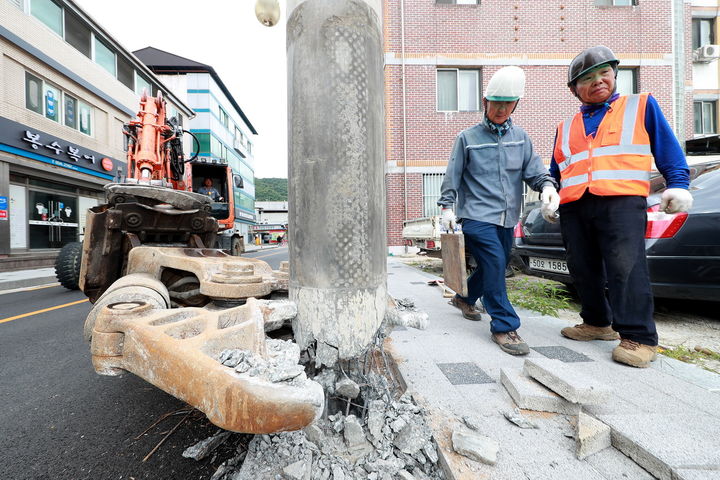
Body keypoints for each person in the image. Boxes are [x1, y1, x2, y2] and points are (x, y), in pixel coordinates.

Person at [545, 46, 693, 368]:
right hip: (575, 206)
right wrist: (550, 192)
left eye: (604, 73)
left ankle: (639, 338)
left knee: (625, 268)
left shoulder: (640, 106)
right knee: (583, 268)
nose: (598, 81)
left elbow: (668, 149)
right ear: (574, 90)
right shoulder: (565, 126)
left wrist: (679, 183)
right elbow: (556, 170)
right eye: (587, 78)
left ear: (615, 74)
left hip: (621, 202)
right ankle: (598, 324)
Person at [438, 66, 560, 356]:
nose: (502, 108)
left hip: (507, 218)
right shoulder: (467, 139)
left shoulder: (521, 138)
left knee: (496, 263)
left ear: (516, 104)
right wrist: (446, 207)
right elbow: (452, 176)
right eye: (496, 102)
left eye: (508, 103)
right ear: (485, 103)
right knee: (495, 262)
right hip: (476, 216)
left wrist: (547, 187)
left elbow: (535, 171)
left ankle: (465, 298)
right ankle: (504, 326)